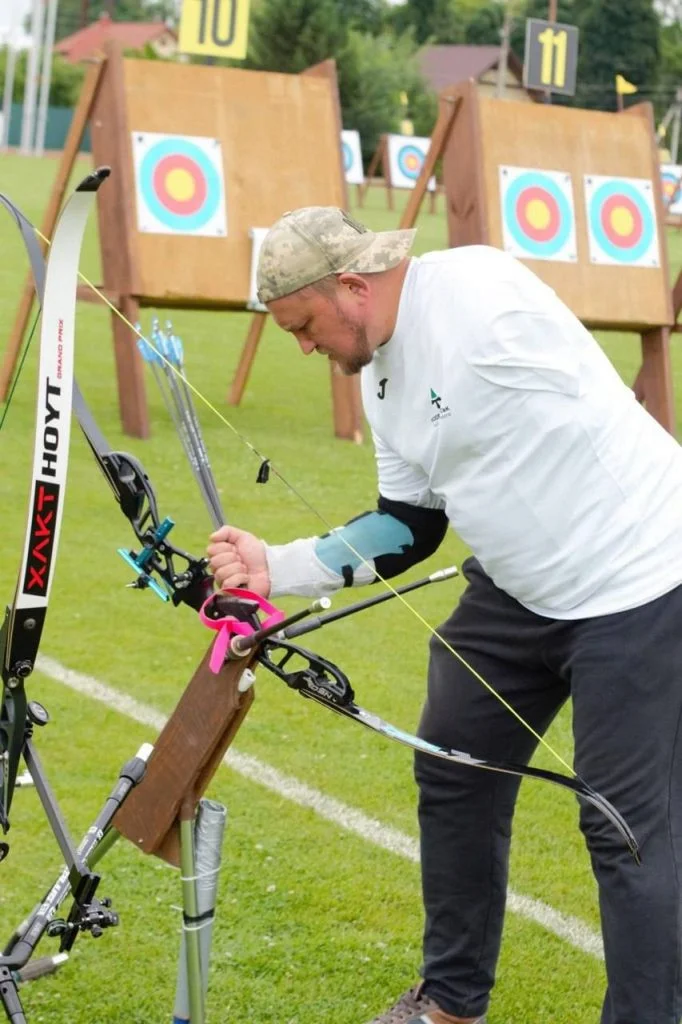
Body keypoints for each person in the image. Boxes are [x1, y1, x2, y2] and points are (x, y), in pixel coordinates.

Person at [207, 206, 682, 1024]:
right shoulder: (382, 378)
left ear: (353, 285)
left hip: (635, 579)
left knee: (623, 828)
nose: (305, 348)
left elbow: (568, 392)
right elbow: (409, 526)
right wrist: (274, 566)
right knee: (453, 767)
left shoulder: (481, 294)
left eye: (305, 326)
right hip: (516, 592)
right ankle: (452, 1002)